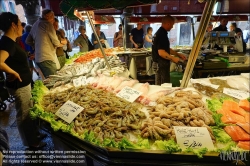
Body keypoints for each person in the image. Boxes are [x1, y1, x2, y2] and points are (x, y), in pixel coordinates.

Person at [0, 12, 46, 148]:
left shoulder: (11, 41)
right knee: (24, 114)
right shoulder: (6, 42)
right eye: (19, 24)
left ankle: (35, 135)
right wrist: (12, 72)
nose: (21, 26)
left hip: (25, 83)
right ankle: (31, 143)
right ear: (13, 25)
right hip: (19, 86)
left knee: (29, 111)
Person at [26, 9, 62, 78]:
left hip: (38, 58)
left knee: (48, 79)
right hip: (47, 57)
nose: (53, 18)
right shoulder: (47, 24)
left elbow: (28, 41)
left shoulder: (35, 24)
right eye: (52, 16)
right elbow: (56, 43)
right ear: (46, 16)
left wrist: (36, 47)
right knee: (53, 80)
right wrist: (60, 43)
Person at [152, 15, 187, 85]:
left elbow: (165, 49)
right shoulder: (162, 34)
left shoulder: (160, 32)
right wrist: (173, 58)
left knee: (162, 85)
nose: (172, 27)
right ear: (168, 23)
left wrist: (178, 54)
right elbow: (161, 53)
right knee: (163, 86)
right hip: (161, 64)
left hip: (161, 64)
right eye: (172, 25)